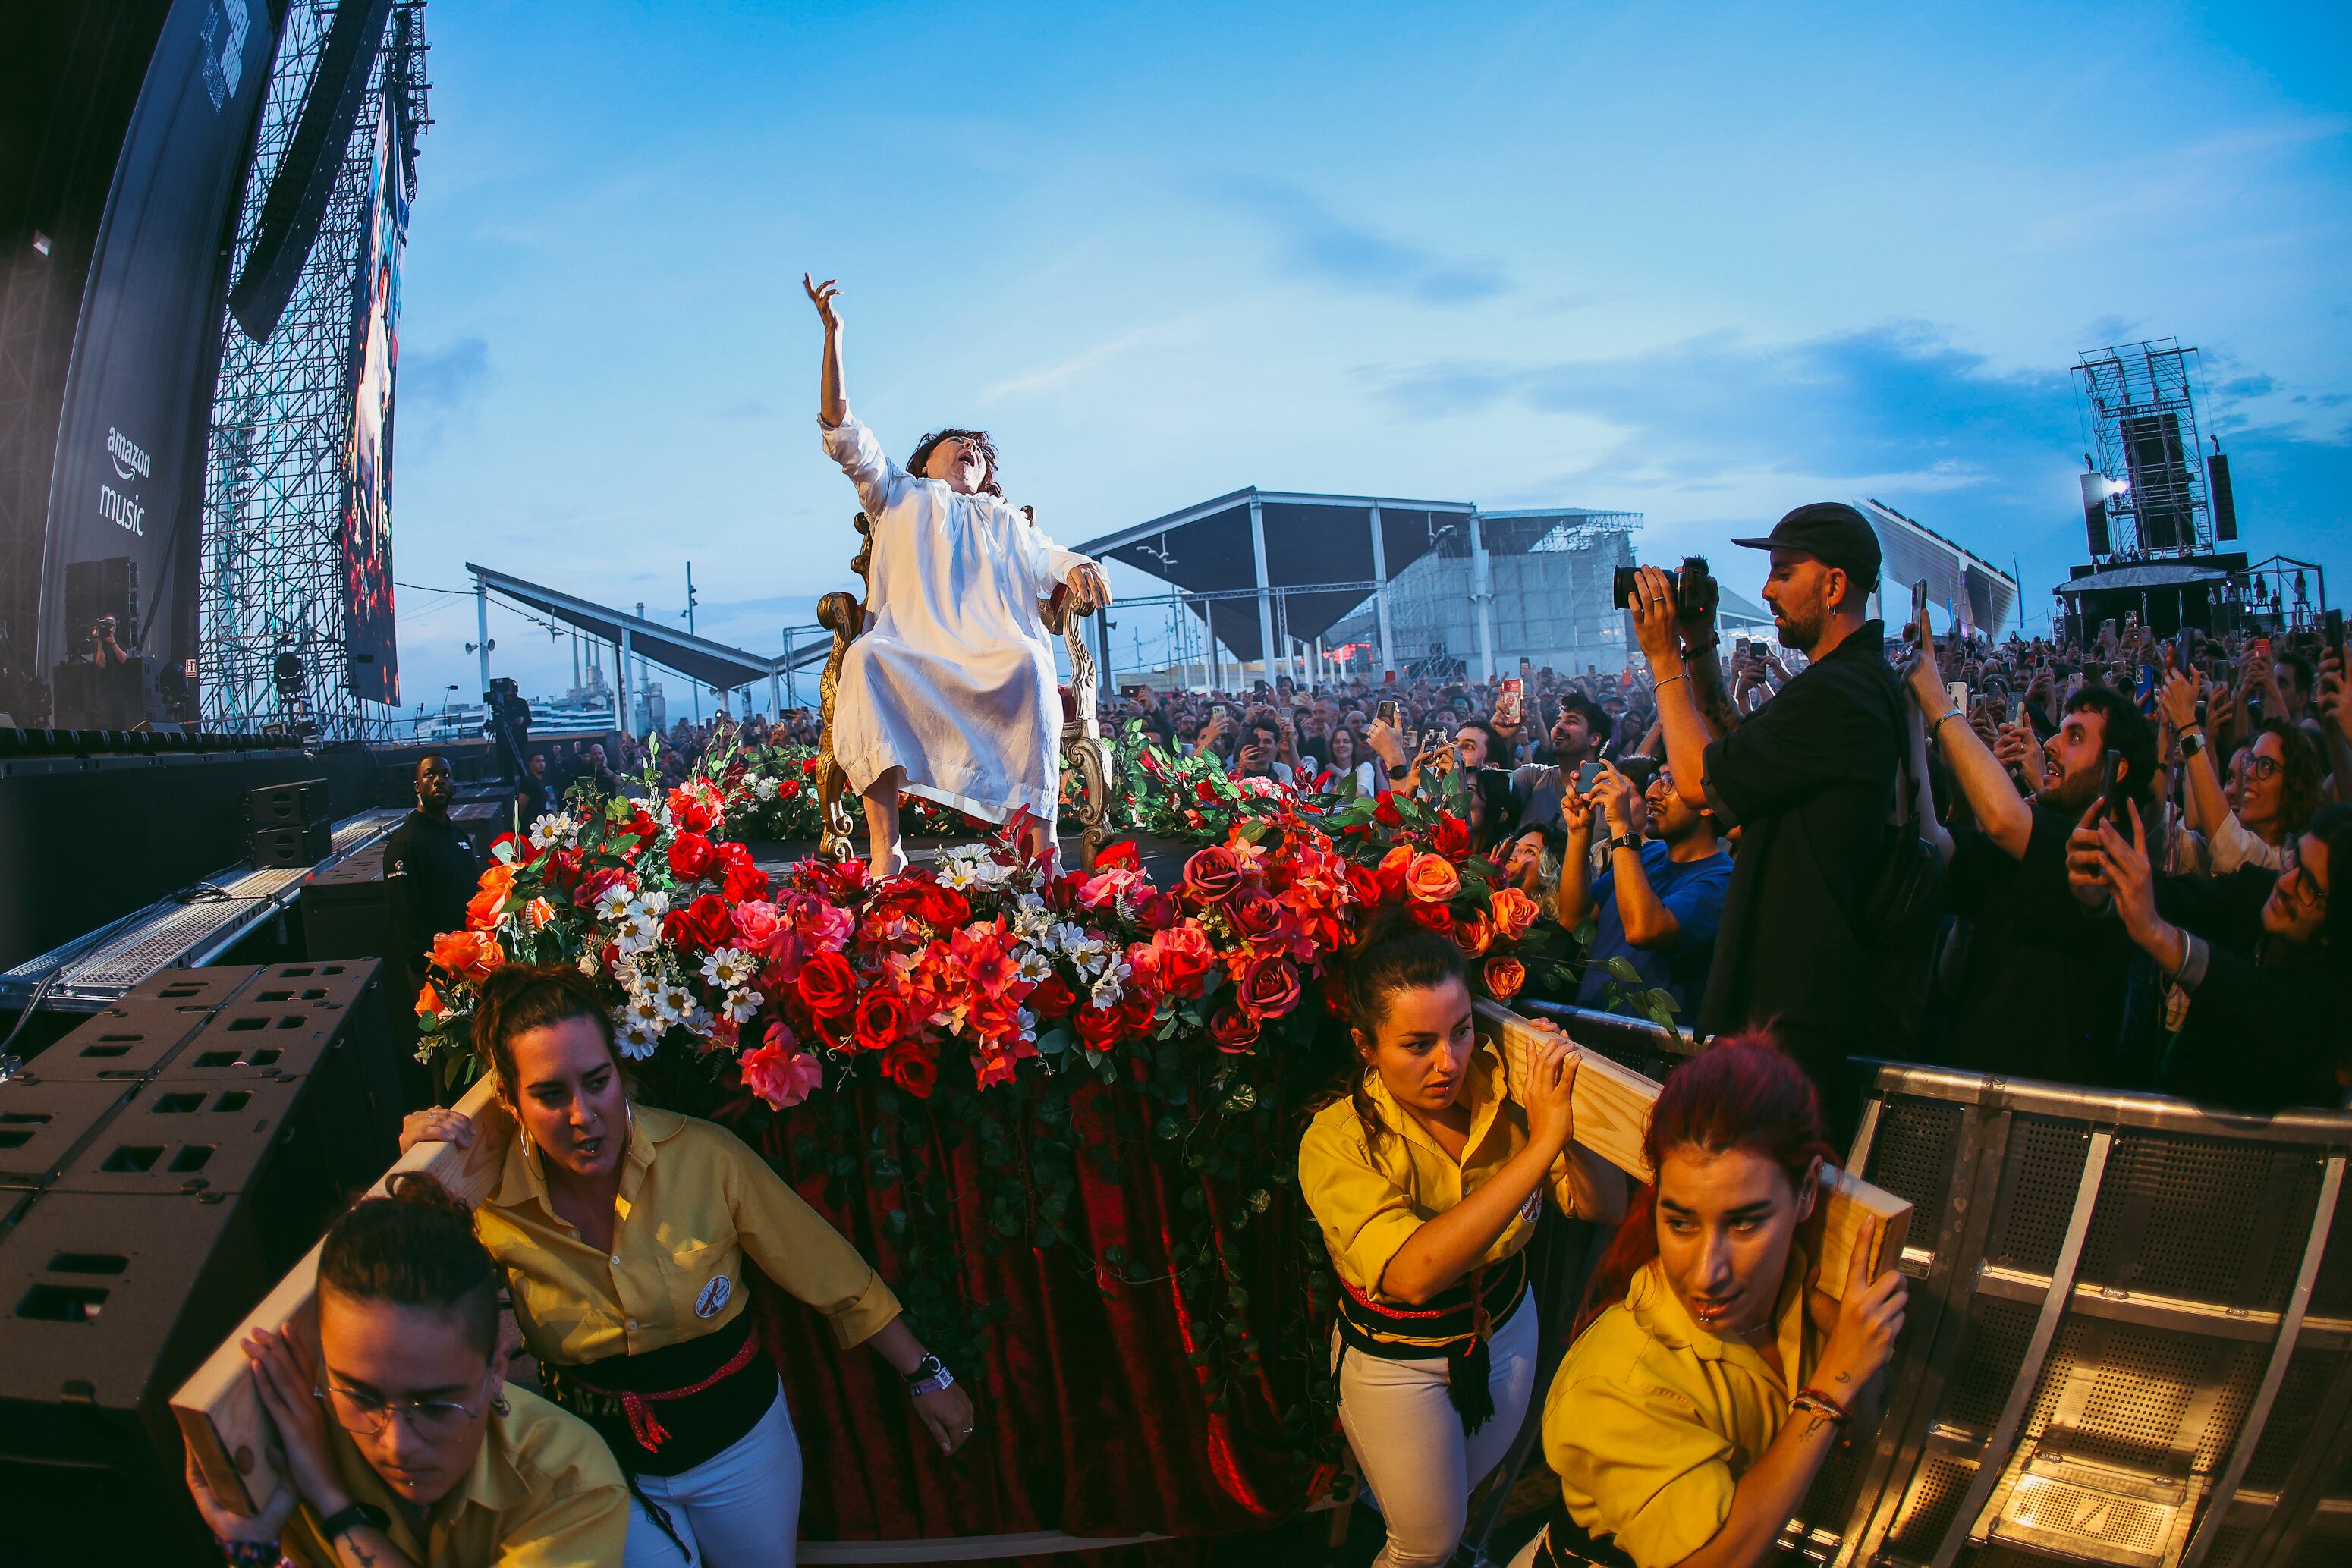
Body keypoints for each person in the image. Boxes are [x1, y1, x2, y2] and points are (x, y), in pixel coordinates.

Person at [398, 966, 976, 1567]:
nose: (582, 1114)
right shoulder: (489, 1203)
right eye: (549, 1094)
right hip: (600, 1466)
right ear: (509, 1102)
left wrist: (925, 1372)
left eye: (597, 1081)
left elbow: (830, 1272)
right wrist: (424, 1163)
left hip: (741, 1448)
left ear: (621, 1072)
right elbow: (403, 1287)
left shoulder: (707, 1159)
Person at [1299, 919, 1625, 1568]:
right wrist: (1540, 1147)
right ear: (1366, 1044)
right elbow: (1412, 1273)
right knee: (1423, 1543)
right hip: (1399, 1364)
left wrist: (1569, 1111)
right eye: (1418, 1043)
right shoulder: (1334, 1141)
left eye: (1461, 1030)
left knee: (1458, 1501)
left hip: (1506, 1328)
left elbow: (1605, 1206)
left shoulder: (1506, 1090)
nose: (1448, 1062)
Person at [1511, 1039, 1907, 1568]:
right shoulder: (1618, 1379)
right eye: (1680, 1222)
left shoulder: (1800, 1294)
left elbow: (1862, 1426)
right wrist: (1831, 1383)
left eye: (1745, 1223)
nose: (1707, 1273)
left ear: (1808, 1190)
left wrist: (1852, 1354)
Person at [803, 275, 1112, 880]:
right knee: (865, 659)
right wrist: (834, 336)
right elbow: (839, 425)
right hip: (913, 648)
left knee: (1029, 661)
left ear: (987, 475)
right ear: (926, 461)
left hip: (991, 653)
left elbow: (1052, 556)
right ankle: (885, 846)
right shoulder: (896, 491)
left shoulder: (1006, 519)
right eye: (957, 441)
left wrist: (1080, 566)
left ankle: (1038, 845)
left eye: (978, 446)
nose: (969, 445)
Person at [184, 1174, 631, 1566]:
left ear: (497, 1369)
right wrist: (253, 1548)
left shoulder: (575, 1486)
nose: (397, 1445)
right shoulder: (291, 1434)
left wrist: (333, 1505)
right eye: (361, 1397)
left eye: (436, 1406)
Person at [1630, 504, 1905, 1134]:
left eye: (1783, 571)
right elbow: (1734, 747)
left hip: (1791, 1006)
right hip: (1792, 999)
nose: (1766, 589)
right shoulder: (1845, 684)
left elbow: (1702, 781)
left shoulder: (1841, 692)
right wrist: (1699, 646)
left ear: (1834, 586)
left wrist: (1663, 658)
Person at [1911, 631, 2157, 1085]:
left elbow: (2004, 819)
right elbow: (1933, 841)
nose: (2051, 746)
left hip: (2049, 1124)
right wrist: (1912, 712)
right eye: (2059, 733)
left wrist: (1935, 699)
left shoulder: (2108, 856)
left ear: (2116, 769)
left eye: (2076, 737)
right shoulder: (2029, 838)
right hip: (1973, 1095)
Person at [2069, 802, 2352, 1111]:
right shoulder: (2257, 890)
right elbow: (2180, 900)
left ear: (2337, 926)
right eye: (2294, 858)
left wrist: (2156, 934)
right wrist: (2105, 892)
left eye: (2310, 887)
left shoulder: (2333, 995)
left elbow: (2257, 1004)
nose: (2284, 884)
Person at [1557, 760, 1731, 1021]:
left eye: (1669, 782)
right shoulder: (1647, 854)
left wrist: (1622, 828)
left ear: (1706, 804)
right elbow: (1574, 920)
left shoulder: (1723, 878)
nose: (1651, 792)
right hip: (1590, 1028)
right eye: (1657, 778)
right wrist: (1579, 831)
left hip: (1644, 1050)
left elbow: (1643, 930)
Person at [383, 754, 483, 987]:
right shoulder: (405, 845)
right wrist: (427, 967)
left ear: (454, 785)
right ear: (417, 786)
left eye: (446, 775)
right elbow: (403, 916)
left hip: (470, 962)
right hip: (435, 973)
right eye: (430, 775)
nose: (439, 780)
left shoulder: (458, 836)